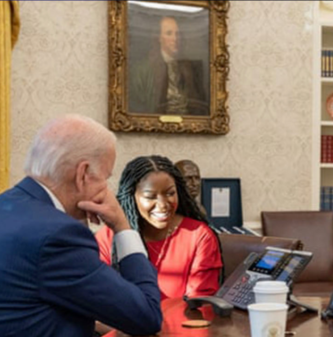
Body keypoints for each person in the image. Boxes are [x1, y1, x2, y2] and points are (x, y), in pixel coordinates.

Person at [0, 115, 162, 336]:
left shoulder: (8, 205)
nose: (106, 189)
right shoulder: (58, 236)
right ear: (82, 174)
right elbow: (147, 316)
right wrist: (122, 226)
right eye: (105, 177)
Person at [95, 155, 223, 300]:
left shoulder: (198, 235)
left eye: (170, 193)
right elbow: (101, 297)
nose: (162, 205)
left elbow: (199, 302)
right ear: (132, 196)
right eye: (150, 196)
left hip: (181, 322)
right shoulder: (109, 238)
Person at [129, 16, 208, 115]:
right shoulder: (141, 70)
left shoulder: (191, 68)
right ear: (159, 38)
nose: (175, 39)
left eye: (177, 34)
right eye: (169, 33)